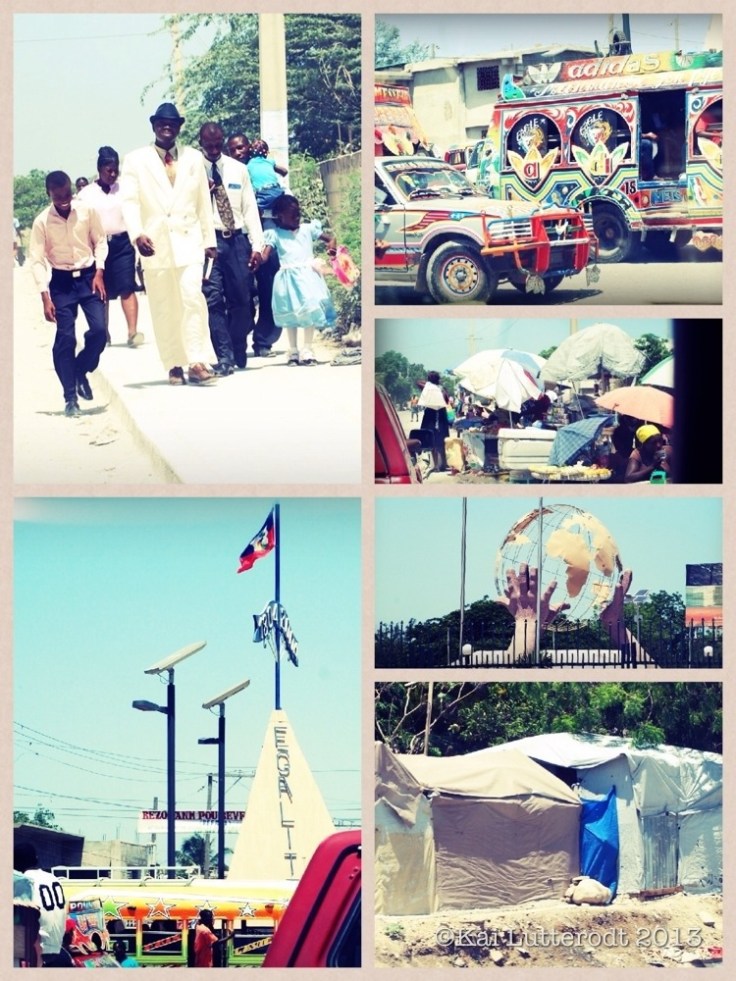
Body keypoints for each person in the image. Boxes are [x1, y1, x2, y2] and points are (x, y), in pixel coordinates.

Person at [119, 102, 218, 386]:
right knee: (164, 307)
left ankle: (197, 361)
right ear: (153, 125)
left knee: (192, 298)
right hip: (154, 244)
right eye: (162, 122)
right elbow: (129, 201)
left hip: (189, 241)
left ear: (179, 127)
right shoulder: (135, 160)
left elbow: (202, 201)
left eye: (172, 123)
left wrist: (209, 240)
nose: (167, 127)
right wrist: (137, 234)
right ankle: (174, 363)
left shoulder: (194, 158)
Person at [28, 170, 108, 417]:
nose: (64, 200)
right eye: (58, 196)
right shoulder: (42, 222)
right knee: (65, 338)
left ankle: (80, 369)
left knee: (99, 331)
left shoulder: (87, 211)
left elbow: (100, 241)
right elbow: (36, 260)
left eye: (67, 194)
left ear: (72, 190)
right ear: (49, 193)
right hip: (61, 284)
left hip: (89, 278)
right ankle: (70, 398)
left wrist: (99, 272)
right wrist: (45, 296)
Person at [198, 122, 266, 373]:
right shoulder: (193, 172)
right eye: (209, 145)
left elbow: (250, 209)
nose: (214, 149)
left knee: (242, 300)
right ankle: (224, 356)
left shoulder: (238, 170)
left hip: (237, 241)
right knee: (213, 299)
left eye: (218, 145)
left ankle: (238, 343)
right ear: (201, 143)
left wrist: (257, 246)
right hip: (208, 243)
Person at [77, 146, 143, 348]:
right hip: (98, 246)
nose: (113, 174)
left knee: (127, 287)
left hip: (122, 245)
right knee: (101, 290)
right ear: (99, 169)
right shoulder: (86, 195)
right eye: (109, 170)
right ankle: (103, 333)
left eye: (115, 170)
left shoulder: (126, 190)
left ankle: (132, 333)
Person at [261, 193, 336, 366]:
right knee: (291, 312)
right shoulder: (275, 234)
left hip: (308, 278)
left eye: (298, 214)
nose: (297, 217)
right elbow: (265, 255)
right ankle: (293, 350)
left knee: (310, 308)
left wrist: (332, 249)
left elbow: (330, 239)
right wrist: (256, 259)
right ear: (280, 215)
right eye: (292, 214)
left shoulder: (308, 229)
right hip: (287, 281)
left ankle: (307, 349)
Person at [13, 842, 67, 966]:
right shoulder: (53, 878)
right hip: (57, 948)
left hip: (37, 950)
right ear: (36, 860)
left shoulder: (23, 881)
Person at [416, 370, 450, 471]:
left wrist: (429, 384)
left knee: (432, 439)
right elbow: (446, 400)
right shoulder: (442, 389)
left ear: (429, 379)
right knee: (442, 439)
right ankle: (444, 464)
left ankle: (436, 465)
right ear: (438, 379)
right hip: (441, 414)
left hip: (431, 415)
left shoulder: (426, 387)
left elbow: (418, 382)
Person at [246, 137, 289, 211]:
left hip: (262, 195)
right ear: (266, 152)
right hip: (278, 193)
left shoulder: (248, 165)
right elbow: (284, 171)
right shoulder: (270, 161)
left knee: (253, 208)